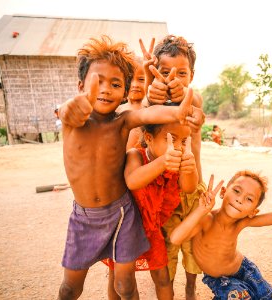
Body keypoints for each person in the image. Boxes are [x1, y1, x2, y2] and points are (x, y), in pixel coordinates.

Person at [56, 35, 201, 300]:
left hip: (122, 214)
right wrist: (70, 106)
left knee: (125, 284)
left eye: (115, 84)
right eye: (97, 82)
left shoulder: (122, 121)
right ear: (80, 85)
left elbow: (149, 114)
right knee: (69, 288)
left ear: (124, 92)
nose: (105, 89)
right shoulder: (73, 121)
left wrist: (179, 110)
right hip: (84, 219)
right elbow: (67, 110)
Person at [170, 170, 272, 299]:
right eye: (236, 191)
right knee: (238, 296)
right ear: (223, 192)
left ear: (253, 212)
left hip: (245, 270)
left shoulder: (241, 222)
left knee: (271, 298)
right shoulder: (206, 219)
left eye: (249, 199)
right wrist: (201, 210)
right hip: (219, 279)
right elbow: (176, 238)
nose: (239, 199)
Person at [143, 34, 206, 299]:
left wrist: (187, 97)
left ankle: (191, 286)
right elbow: (144, 110)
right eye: (165, 71)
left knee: (193, 246)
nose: (173, 78)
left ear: (192, 75)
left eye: (182, 72)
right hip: (164, 193)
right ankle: (167, 287)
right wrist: (149, 88)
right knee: (167, 248)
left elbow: (197, 108)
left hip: (192, 191)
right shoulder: (153, 102)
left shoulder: (193, 100)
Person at [105, 121, 198, 300]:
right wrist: (164, 161)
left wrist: (189, 168)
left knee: (162, 278)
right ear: (149, 138)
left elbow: (189, 188)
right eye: (171, 139)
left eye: (184, 141)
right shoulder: (136, 155)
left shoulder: (177, 162)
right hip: (125, 230)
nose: (178, 147)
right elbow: (132, 180)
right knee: (120, 281)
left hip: (152, 231)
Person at [116, 56, 147, 150]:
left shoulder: (149, 108)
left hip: (142, 162)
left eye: (141, 79)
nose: (135, 85)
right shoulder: (118, 109)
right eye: (129, 80)